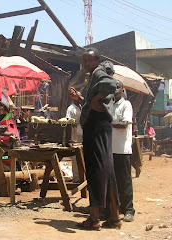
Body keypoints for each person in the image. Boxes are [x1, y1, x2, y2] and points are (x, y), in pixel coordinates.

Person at [70, 47, 122, 230]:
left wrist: (96, 99)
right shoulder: (92, 76)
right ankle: (114, 216)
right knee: (106, 170)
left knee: (95, 169)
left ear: (97, 61)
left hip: (97, 126)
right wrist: (83, 99)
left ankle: (94, 218)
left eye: (89, 61)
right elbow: (94, 100)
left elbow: (112, 84)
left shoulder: (99, 72)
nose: (86, 64)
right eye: (84, 61)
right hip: (99, 126)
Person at [110, 80, 135, 222]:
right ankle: (111, 209)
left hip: (123, 150)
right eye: (113, 88)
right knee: (111, 181)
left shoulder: (126, 105)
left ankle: (129, 210)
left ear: (122, 90)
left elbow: (124, 124)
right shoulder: (109, 105)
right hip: (110, 149)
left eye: (118, 87)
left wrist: (107, 121)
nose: (115, 90)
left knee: (124, 181)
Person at [65, 98, 83, 183]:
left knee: (83, 157)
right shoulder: (71, 108)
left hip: (83, 134)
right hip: (75, 135)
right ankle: (77, 178)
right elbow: (68, 121)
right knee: (75, 157)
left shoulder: (82, 107)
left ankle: (83, 177)